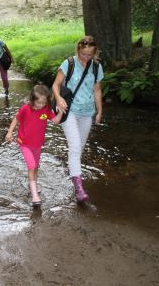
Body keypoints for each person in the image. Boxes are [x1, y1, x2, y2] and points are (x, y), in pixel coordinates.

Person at [51, 36, 104, 202]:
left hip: (87, 112)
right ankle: (79, 187)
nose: (85, 58)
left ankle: (72, 170)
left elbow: (97, 90)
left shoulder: (96, 67)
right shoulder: (69, 63)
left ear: (94, 53)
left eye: (89, 55)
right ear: (78, 50)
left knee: (79, 147)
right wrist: (59, 99)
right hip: (69, 110)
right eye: (82, 54)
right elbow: (55, 85)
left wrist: (99, 111)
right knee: (74, 147)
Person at [5, 84, 63, 206]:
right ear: (32, 100)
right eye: (38, 103)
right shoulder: (25, 108)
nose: (41, 105)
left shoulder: (46, 110)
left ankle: (32, 184)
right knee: (31, 165)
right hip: (24, 143)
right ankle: (35, 195)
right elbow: (16, 119)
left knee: (36, 166)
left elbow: (56, 121)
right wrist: (10, 132)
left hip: (37, 144)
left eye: (44, 102)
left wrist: (61, 111)